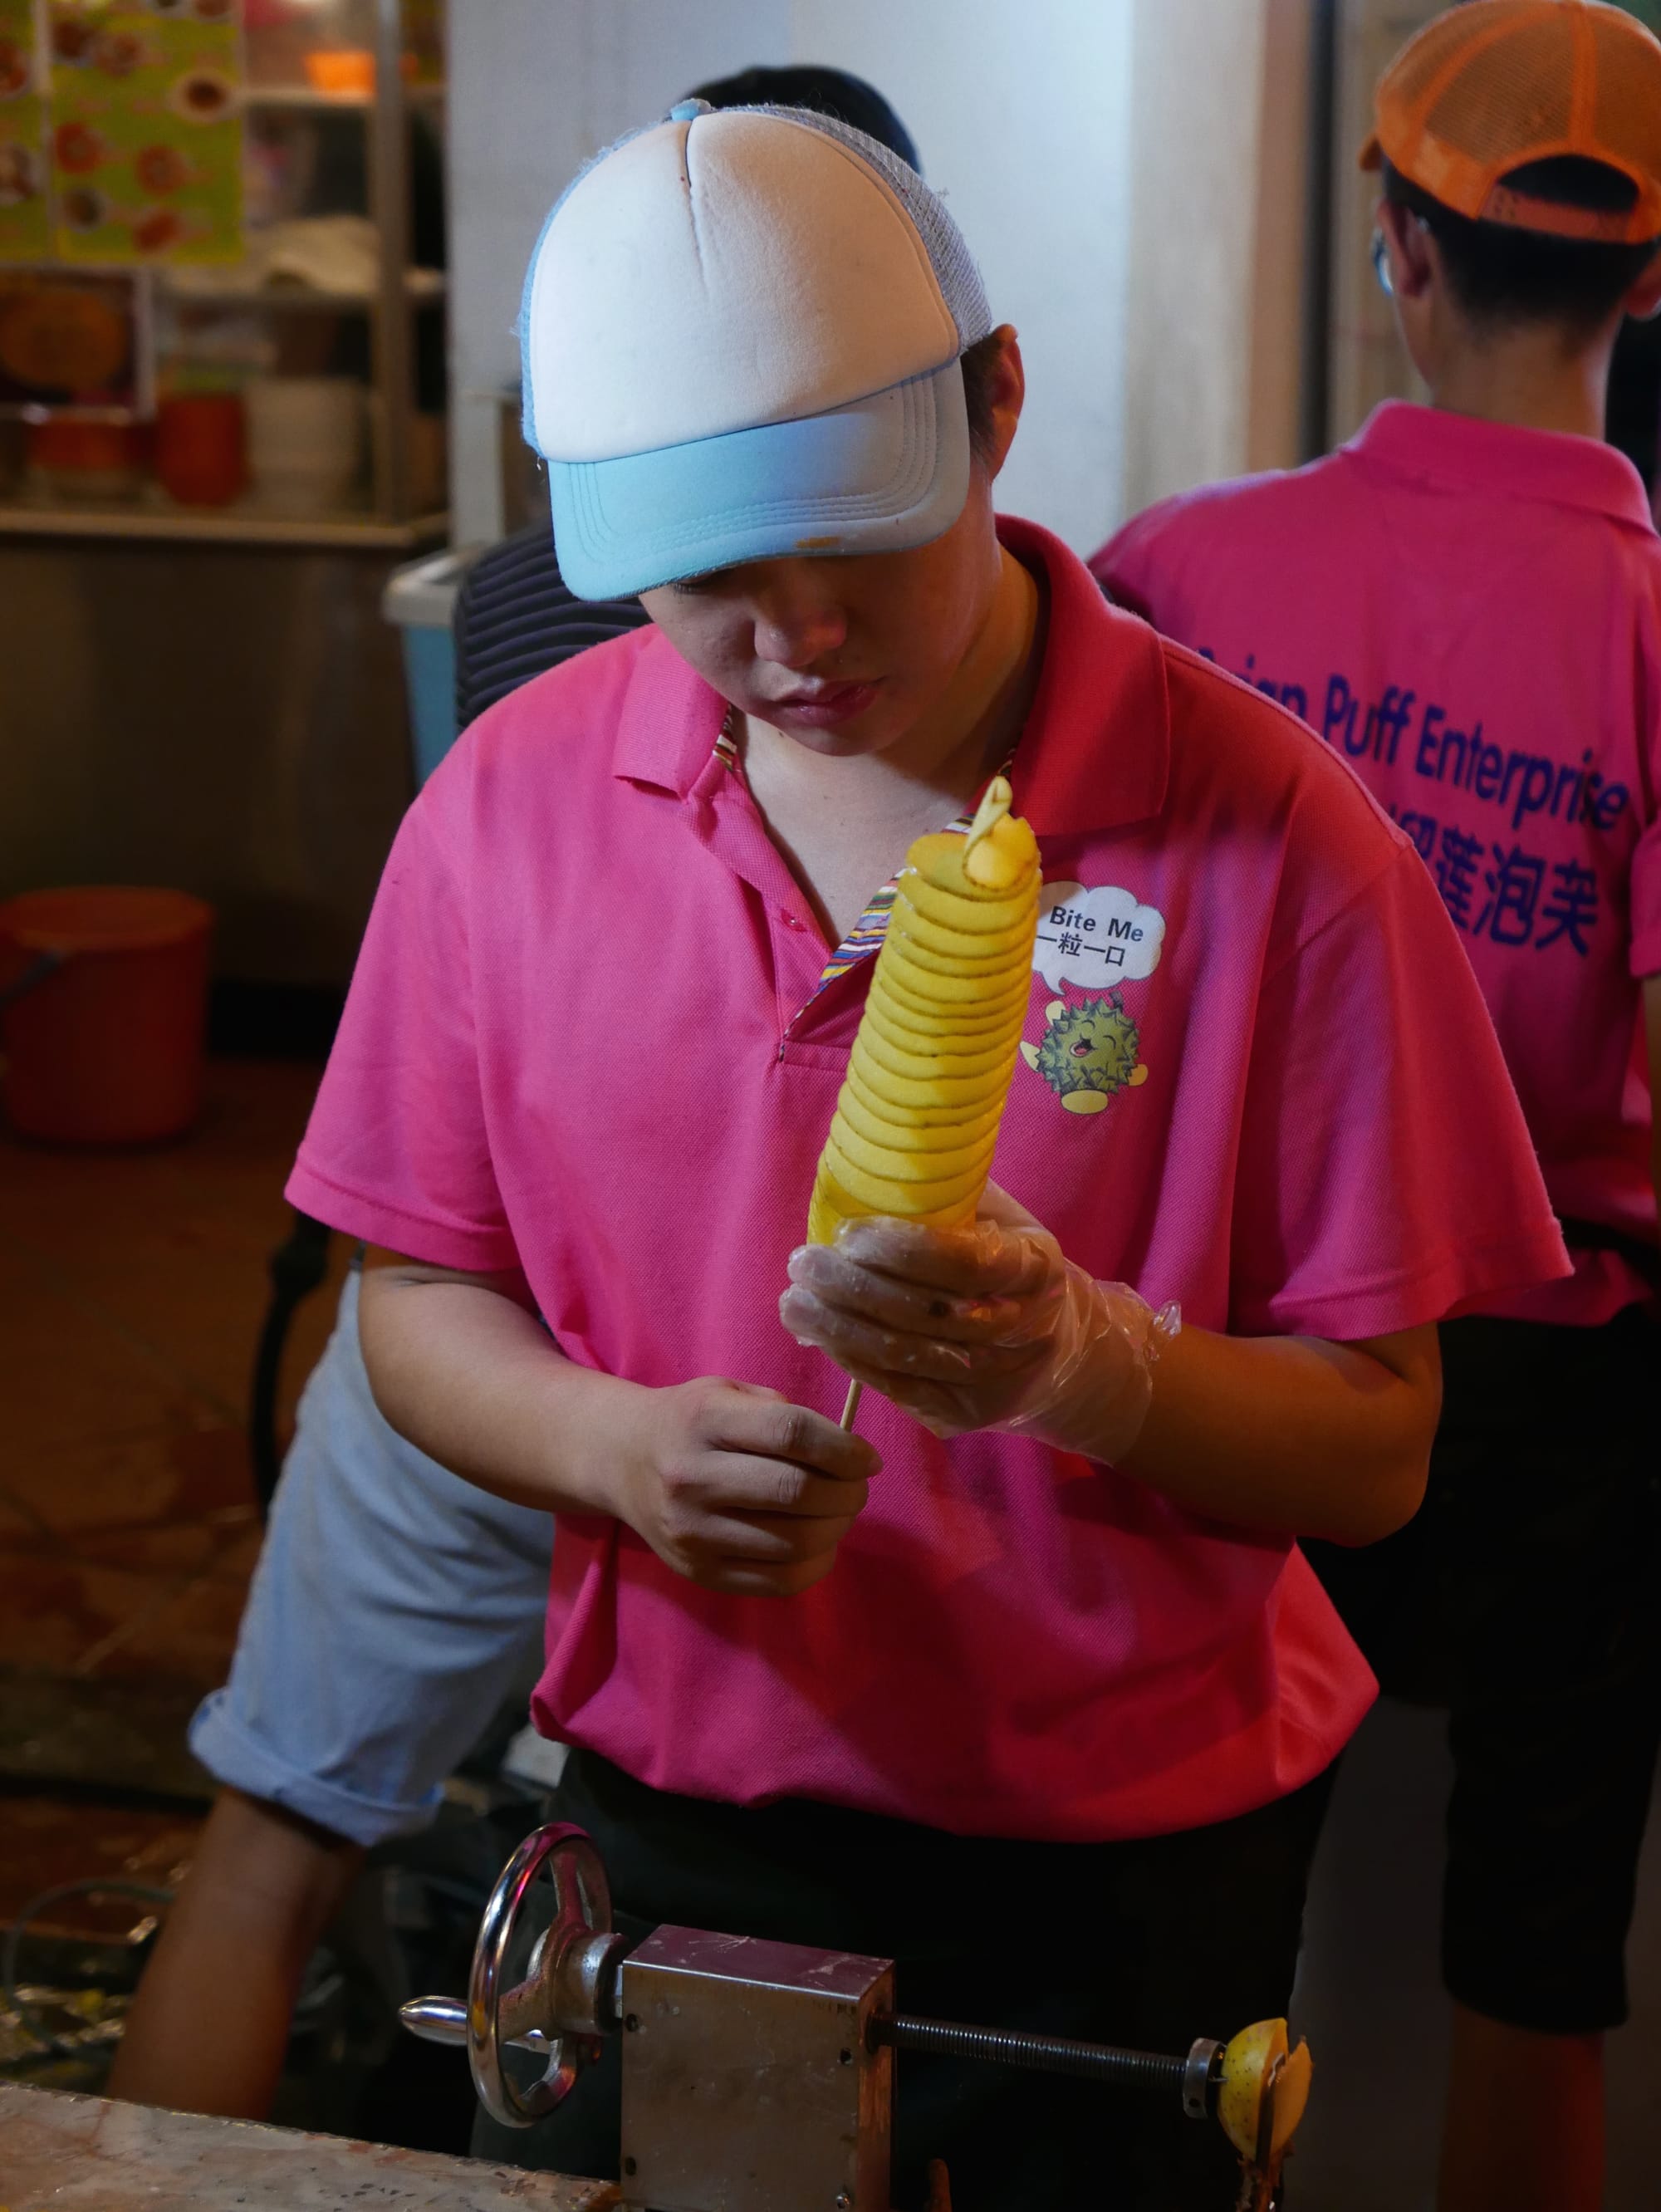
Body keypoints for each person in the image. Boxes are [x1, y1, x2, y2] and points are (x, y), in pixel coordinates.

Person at [288, 95, 1570, 2210]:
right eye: (709, 578)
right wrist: (611, 1451)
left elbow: (1377, 1448)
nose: (795, 639)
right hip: (680, 1800)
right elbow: (418, 1299)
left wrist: (1091, 1366)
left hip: (1132, 1845)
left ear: (994, 406)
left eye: (854, 543)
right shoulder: (512, 811)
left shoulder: (1274, 839)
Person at [105, 66, 926, 2133]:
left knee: (273, 1849)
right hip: (622, 1373)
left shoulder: (514, 589)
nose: (785, 635)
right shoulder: (877, 617)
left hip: (495, 1321)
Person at [1089, 8, 1661, 2210]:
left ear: (1393, 247)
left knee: (1196, 1956)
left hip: (1249, 1372)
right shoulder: (1643, 632)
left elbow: (1080, 989)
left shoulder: (1182, 579)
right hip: (1566, 1397)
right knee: (1541, 1967)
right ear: (1645, 280)